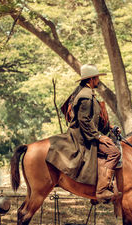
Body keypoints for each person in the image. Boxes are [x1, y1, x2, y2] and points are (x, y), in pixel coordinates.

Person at [46, 64, 121, 202]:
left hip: (88, 133)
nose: (98, 80)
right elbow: (84, 120)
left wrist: (110, 127)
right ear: (91, 79)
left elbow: (92, 119)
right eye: (97, 77)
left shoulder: (87, 93)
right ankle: (102, 190)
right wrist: (98, 136)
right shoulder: (86, 96)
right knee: (114, 152)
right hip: (82, 137)